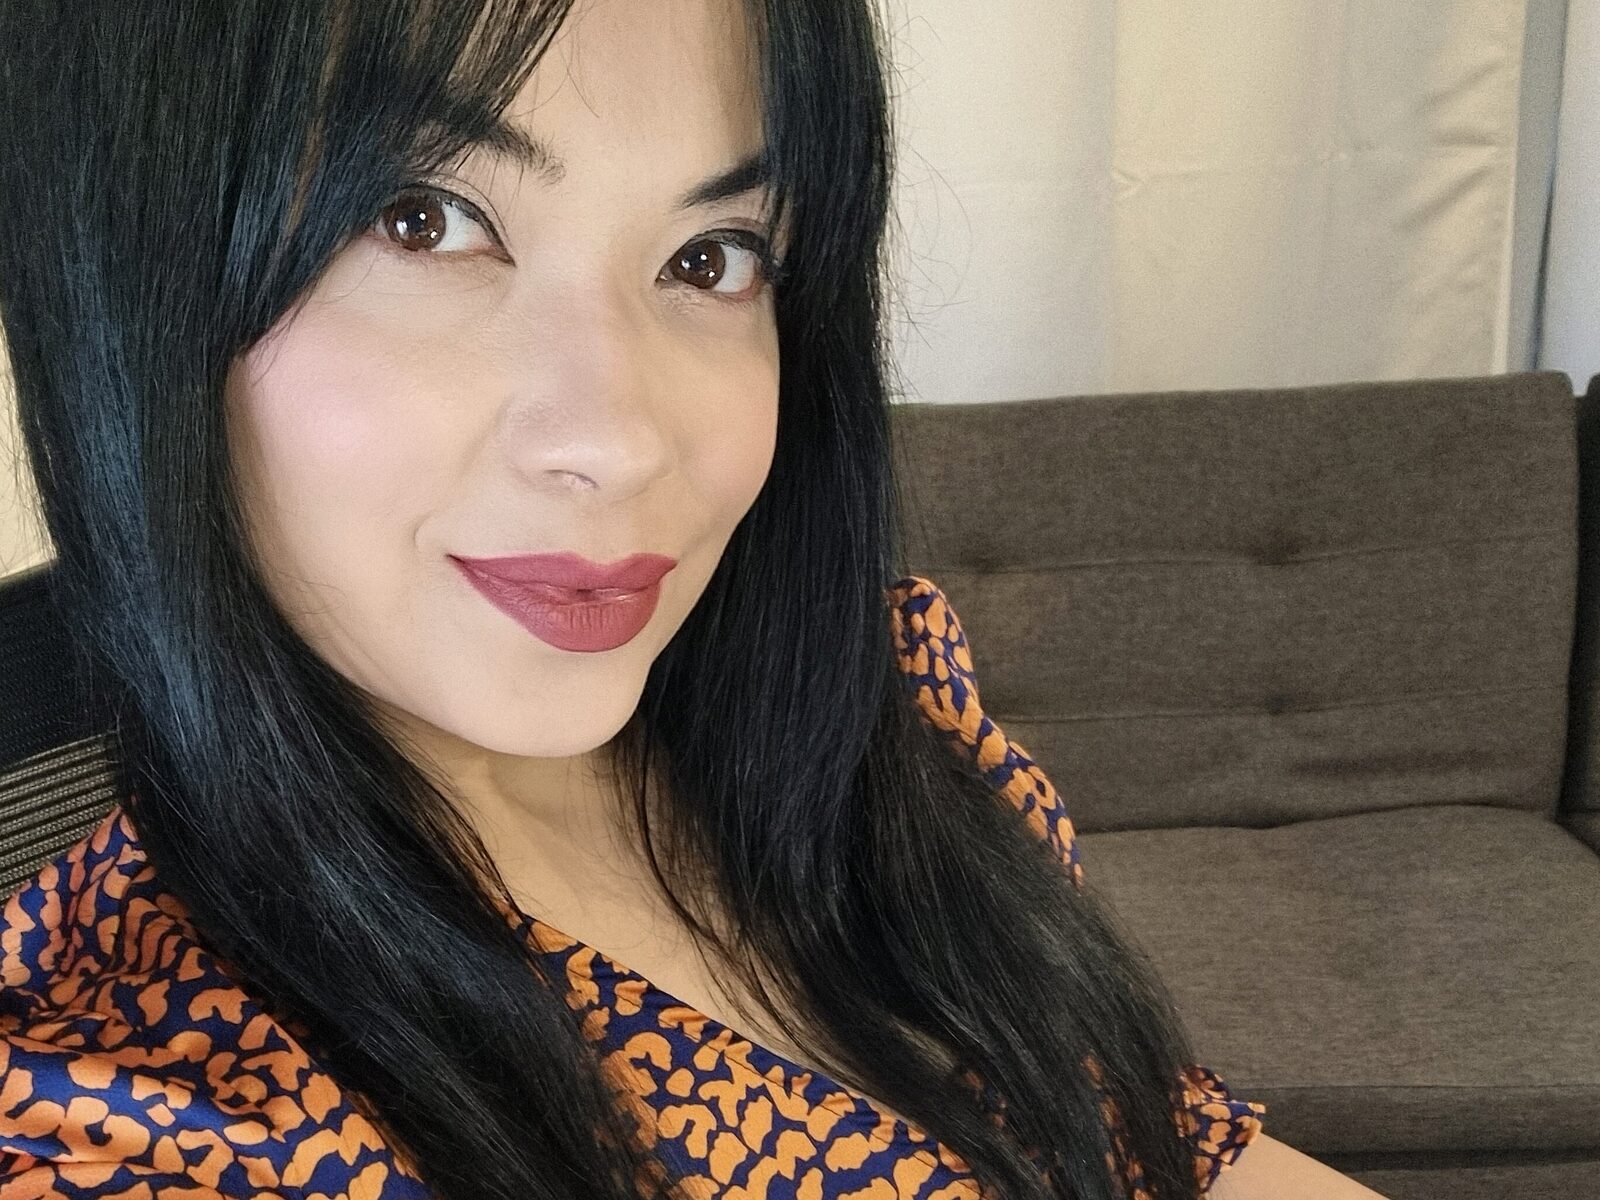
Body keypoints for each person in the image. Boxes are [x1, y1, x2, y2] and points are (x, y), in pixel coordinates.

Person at [0, 1, 1388, 1197]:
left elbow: (1159, 1142)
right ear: (136, 284)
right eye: (424, 221)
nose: (621, 439)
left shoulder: (870, 721)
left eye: (711, 256)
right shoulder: (135, 1106)